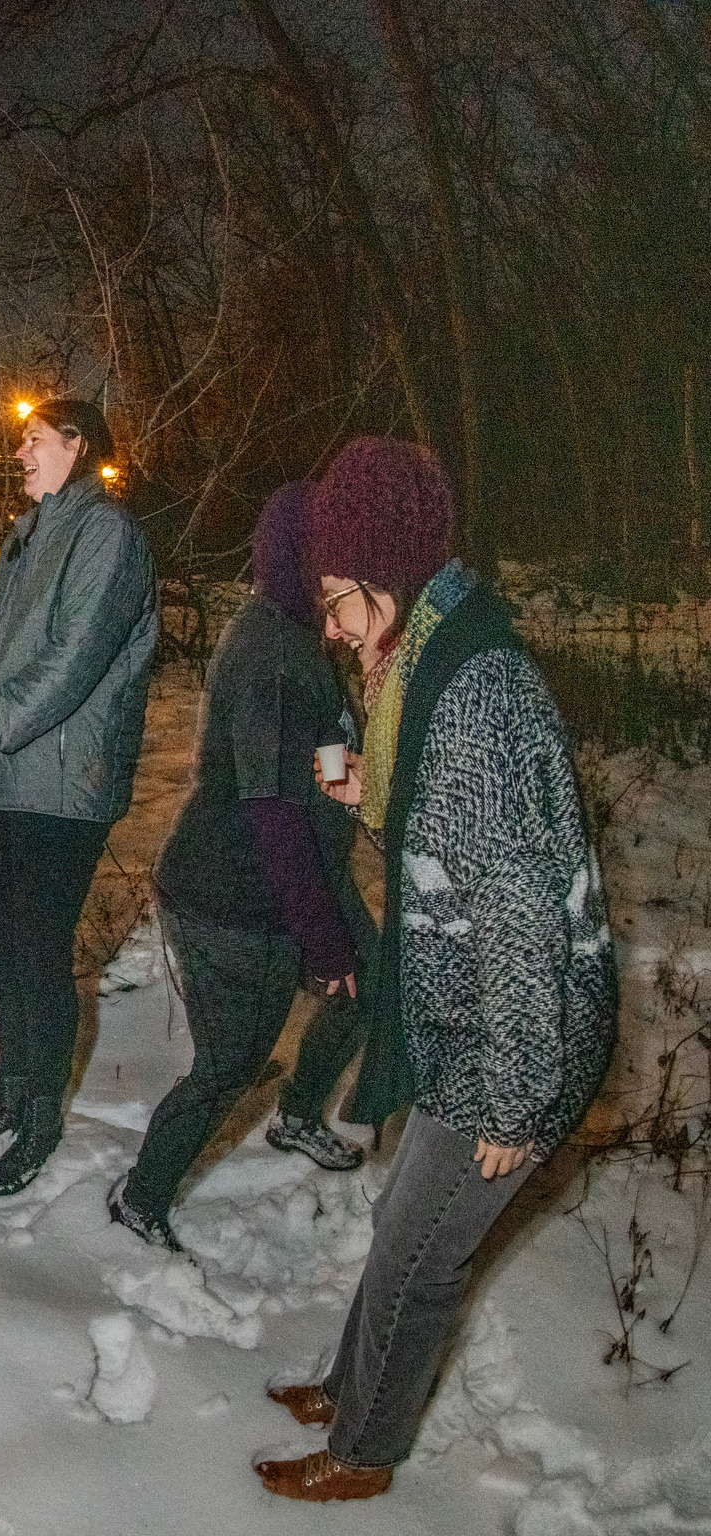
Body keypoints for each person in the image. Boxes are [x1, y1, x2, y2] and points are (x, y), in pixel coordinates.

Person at [255, 438, 614, 1502]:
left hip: (515, 1036)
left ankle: (364, 1452)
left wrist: (512, 1098)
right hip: (465, 1013)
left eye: (335, 599)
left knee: (418, 1255)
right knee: (396, 1225)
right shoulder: (426, 660)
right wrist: (377, 783)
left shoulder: (472, 702)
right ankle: (347, 1382)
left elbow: (516, 916)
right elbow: (446, 819)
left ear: (388, 573)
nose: (328, 627)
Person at [108, 483, 373, 1252]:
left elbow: (311, 749)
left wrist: (343, 775)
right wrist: (321, 940)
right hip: (237, 894)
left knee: (369, 985)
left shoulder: (302, 638)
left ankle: (295, 1116)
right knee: (230, 1063)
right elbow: (268, 808)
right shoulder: (267, 651)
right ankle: (141, 1197)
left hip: (302, 874)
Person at [0, 398, 159, 1197]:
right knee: (6, 955)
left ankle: (42, 1124)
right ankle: (12, 1101)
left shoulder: (107, 534)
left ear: (77, 445)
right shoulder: (26, 539)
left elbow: (72, 663)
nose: (18, 453)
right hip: (7, 781)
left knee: (39, 959)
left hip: (64, 783)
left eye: (32, 441)